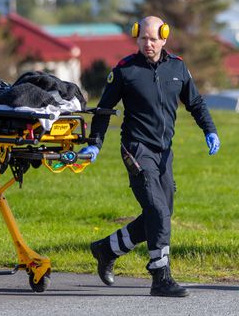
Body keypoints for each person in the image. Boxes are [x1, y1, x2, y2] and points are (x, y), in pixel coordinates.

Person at [80, 16, 221, 297]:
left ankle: (106, 249)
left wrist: (210, 129)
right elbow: (104, 109)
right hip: (136, 149)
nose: (148, 44)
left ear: (164, 38)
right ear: (137, 37)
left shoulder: (178, 68)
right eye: (143, 38)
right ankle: (160, 276)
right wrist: (95, 144)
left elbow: (195, 102)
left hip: (164, 152)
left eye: (153, 38)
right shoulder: (125, 70)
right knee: (157, 212)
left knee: (161, 215)